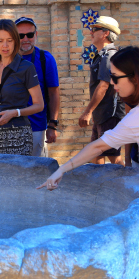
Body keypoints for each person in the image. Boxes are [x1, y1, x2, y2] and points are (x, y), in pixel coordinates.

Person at [39, 46, 139, 191]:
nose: (111, 82)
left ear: (134, 78)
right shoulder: (133, 117)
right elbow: (97, 147)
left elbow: (97, 147)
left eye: (115, 77)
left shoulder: (135, 118)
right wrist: (60, 171)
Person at [0, 19, 44, 155]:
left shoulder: (26, 67)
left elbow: (39, 105)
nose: (5, 46)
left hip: (19, 135)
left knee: (18, 176)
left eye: (9, 40)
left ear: (16, 41)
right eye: (0, 41)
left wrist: (14, 112)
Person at [78, 16, 125, 165]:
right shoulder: (101, 56)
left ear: (105, 33)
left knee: (113, 157)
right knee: (96, 155)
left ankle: (129, 186)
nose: (91, 32)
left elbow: (104, 86)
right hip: (102, 115)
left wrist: (87, 112)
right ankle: (99, 188)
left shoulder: (109, 55)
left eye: (94, 29)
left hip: (109, 115)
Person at [15, 17, 60, 157]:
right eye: (20, 36)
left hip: (36, 127)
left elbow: (53, 93)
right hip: (10, 127)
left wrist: (52, 125)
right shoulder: (7, 59)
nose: (25, 39)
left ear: (36, 35)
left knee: (37, 172)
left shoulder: (45, 59)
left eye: (30, 34)